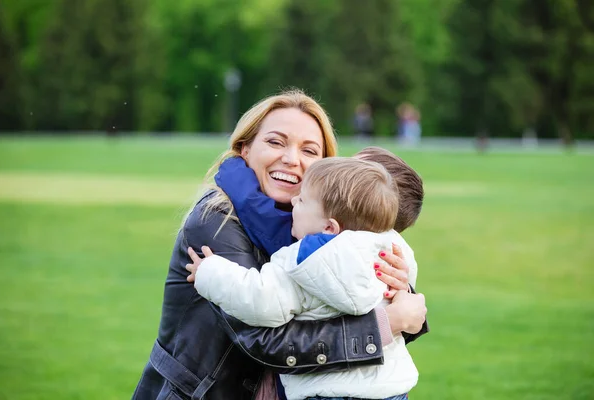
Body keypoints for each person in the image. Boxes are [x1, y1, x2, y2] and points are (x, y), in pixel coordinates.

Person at [132, 89, 428, 400]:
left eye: (310, 150)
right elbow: (264, 340)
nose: (291, 159)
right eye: (275, 142)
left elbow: (349, 298)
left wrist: (402, 296)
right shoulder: (216, 221)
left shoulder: (325, 231)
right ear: (245, 149)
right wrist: (388, 323)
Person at [188, 157, 420, 400]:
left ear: (330, 228)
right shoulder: (392, 248)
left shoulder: (305, 261)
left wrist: (209, 272)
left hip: (327, 394)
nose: (293, 200)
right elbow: (405, 291)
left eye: (303, 200)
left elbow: (261, 300)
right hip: (390, 391)